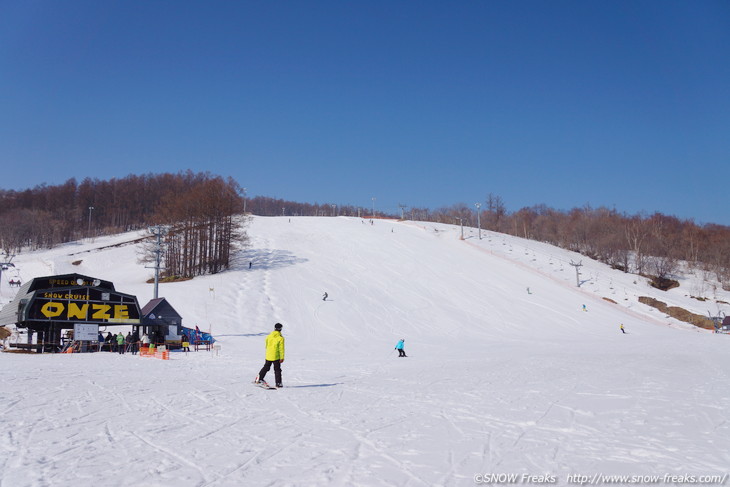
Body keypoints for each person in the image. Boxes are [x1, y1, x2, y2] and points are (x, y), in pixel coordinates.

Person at [255, 323, 285, 388]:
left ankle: (259, 378)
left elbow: (266, 345)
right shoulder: (280, 338)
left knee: (266, 367)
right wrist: (282, 357)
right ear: (281, 329)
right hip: (276, 357)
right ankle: (278, 383)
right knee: (277, 370)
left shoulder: (269, 336)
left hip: (268, 355)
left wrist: (269, 352)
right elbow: (281, 349)